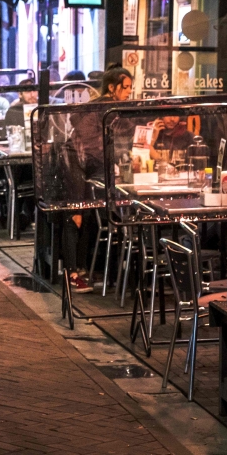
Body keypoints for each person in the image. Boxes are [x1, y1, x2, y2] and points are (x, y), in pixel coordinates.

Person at [62, 65, 133, 293]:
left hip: (92, 164)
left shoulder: (116, 109)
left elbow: (128, 133)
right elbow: (85, 134)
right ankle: (72, 272)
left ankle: (85, 267)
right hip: (75, 161)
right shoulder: (100, 107)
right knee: (77, 214)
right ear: (112, 87)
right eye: (126, 87)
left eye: (131, 87)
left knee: (91, 214)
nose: (129, 92)